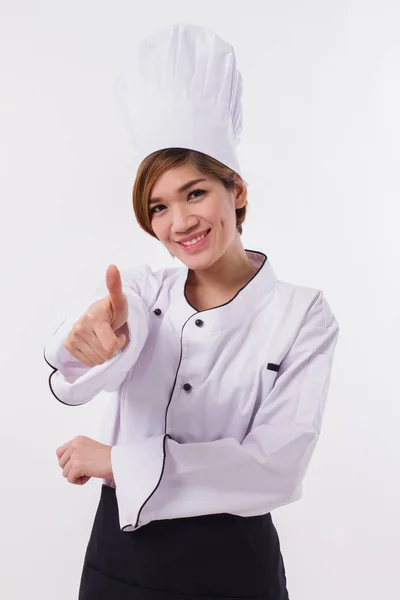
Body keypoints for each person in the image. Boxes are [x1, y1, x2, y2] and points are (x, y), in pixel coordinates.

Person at [44, 23, 340, 600]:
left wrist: (116, 461)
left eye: (196, 192)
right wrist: (82, 341)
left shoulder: (302, 315)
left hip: (231, 565)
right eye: (159, 206)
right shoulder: (141, 290)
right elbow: (74, 364)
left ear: (238, 191)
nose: (179, 222)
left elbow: (275, 467)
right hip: (118, 557)